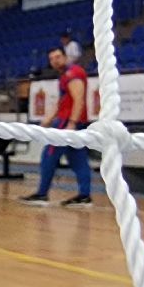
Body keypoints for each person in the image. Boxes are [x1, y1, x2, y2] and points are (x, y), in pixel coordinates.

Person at [20, 47, 92, 208]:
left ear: (66, 57)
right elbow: (62, 102)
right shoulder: (65, 76)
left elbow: (78, 99)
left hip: (67, 123)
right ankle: (84, 196)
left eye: (58, 57)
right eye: (52, 59)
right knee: (78, 159)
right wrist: (46, 121)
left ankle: (42, 194)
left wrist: (71, 124)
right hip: (69, 122)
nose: (55, 61)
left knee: (49, 156)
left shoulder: (72, 74)